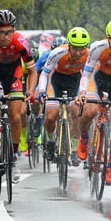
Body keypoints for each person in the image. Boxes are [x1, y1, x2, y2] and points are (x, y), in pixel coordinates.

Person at [0, 10, 36, 184]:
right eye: (2, 32)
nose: (6, 36)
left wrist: (30, 91)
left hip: (13, 72)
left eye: (9, 31)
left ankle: (13, 158)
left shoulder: (21, 43)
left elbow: (32, 72)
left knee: (16, 115)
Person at [75, 18, 111, 185]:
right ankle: (84, 136)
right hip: (99, 80)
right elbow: (86, 73)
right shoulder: (98, 48)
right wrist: (83, 93)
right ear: (108, 39)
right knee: (90, 110)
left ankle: (110, 168)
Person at [34, 26, 91, 167]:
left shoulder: (88, 55)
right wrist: (42, 91)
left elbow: (86, 75)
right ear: (69, 46)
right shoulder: (58, 53)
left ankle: (74, 149)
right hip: (55, 83)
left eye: (81, 48)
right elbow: (45, 73)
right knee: (51, 116)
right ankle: (50, 140)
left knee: (77, 113)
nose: (78, 52)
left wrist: (83, 92)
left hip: (74, 83)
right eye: (75, 48)